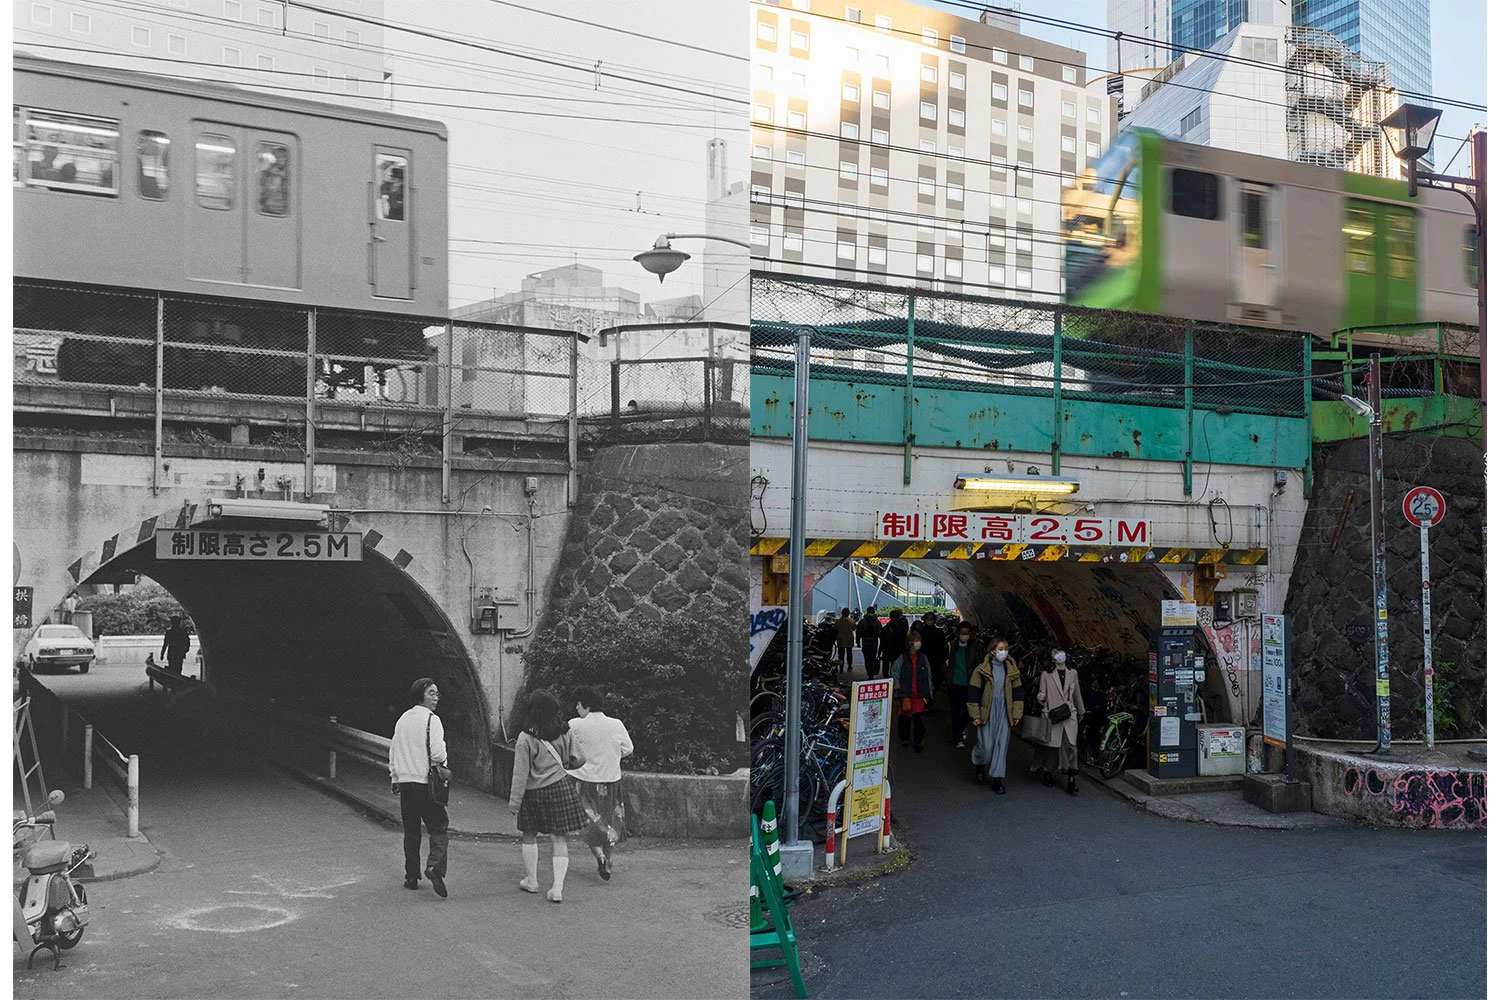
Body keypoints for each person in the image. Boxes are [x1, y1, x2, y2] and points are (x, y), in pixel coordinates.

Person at [509, 690, 588, 903]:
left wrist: (514, 802)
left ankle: (532, 880)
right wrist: (564, 764)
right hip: (560, 787)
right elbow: (580, 759)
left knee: (529, 835)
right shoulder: (565, 732)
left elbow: (520, 773)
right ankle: (557, 888)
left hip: (533, 792)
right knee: (559, 837)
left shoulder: (525, 738)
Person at [388, 678, 449, 897]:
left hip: (405, 783)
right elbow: (437, 754)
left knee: (411, 831)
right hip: (426, 784)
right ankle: (434, 866)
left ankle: (411, 876)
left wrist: (395, 777)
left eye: (437, 694)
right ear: (420, 695)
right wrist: (444, 753)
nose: (435, 697)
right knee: (439, 826)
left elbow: (393, 751)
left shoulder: (402, 719)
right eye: (432, 693)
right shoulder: (432, 720)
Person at [565, 687, 634, 881]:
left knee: (589, 824)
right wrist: (610, 755)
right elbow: (628, 748)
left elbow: (566, 748)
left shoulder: (576, 725)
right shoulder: (616, 724)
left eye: (578, 704)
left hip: (585, 780)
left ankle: (600, 856)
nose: (576, 707)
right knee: (611, 823)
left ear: (586, 705)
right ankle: (607, 862)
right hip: (611, 780)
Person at [968, 639, 1024, 793]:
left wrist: (1017, 713)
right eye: (1000, 648)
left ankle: (997, 779)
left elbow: (1018, 694)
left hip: (1005, 712)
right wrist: (975, 715)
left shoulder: (1012, 671)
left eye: (1006, 648)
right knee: (986, 747)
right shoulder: (982, 670)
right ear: (992, 651)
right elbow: (973, 693)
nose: (1004, 651)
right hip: (987, 712)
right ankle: (980, 763)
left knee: (1001, 745)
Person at [1037, 647, 1087, 795]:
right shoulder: (1046, 674)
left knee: (1071, 745)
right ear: (1051, 657)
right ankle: (1048, 771)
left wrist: (1081, 710)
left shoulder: (1073, 673)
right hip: (1053, 714)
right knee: (1052, 747)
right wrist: (1041, 698)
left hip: (1069, 713)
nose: (1059, 654)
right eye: (1055, 652)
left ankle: (1072, 777)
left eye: (1060, 651)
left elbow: (1076, 692)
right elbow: (1041, 693)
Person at [892, 629, 934, 753]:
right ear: (910, 643)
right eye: (916, 641)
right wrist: (896, 685)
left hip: (920, 694)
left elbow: (928, 675)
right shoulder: (902, 658)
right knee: (905, 718)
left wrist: (929, 692)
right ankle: (904, 738)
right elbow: (895, 671)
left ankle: (918, 741)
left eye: (919, 641)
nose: (918, 643)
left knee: (919, 720)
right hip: (906, 693)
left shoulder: (923, 658)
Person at [947, 621, 978, 749]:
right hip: (954, 683)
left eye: (967, 633)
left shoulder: (974, 647)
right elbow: (944, 662)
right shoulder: (951, 646)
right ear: (958, 633)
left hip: (969, 684)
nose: (965, 636)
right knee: (955, 711)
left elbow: (978, 663)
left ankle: (960, 729)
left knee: (967, 712)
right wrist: (947, 676)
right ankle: (958, 738)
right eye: (962, 633)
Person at [917, 612, 948, 696]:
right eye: (928, 619)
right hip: (926, 659)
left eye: (931, 619)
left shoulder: (938, 632)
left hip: (935, 660)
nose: (929, 621)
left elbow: (942, 647)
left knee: (934, 678)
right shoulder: (921, 632)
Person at [878, 610, 908, 679]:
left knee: (886, 667)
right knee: (894, 667)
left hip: (888, 650)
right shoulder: (902, 627)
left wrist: (879, 652)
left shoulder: (886, 628)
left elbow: (882, 641)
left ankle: (887, 680)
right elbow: (904, 639)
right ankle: (893, 680)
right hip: (897, 650)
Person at [856, 607, 883, 679]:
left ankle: (869, 673)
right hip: (874, 642)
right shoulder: (877, 622)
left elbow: (858, 632)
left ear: (867, 611)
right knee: (873, 658)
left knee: (866, 658)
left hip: (865, 642)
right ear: (874, 612)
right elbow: (880, 634)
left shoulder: (862, 621)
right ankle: (872, 674)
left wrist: (858, 642)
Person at [834, 608, 857, 672]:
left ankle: (841, 667)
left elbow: (835, 629)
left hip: (840, 639)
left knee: (841, 654)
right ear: (848, 613)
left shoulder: (838, 621)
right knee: (849, 653)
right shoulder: (851, 621)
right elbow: (854, 627)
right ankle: (849, 666)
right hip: (849, 639)